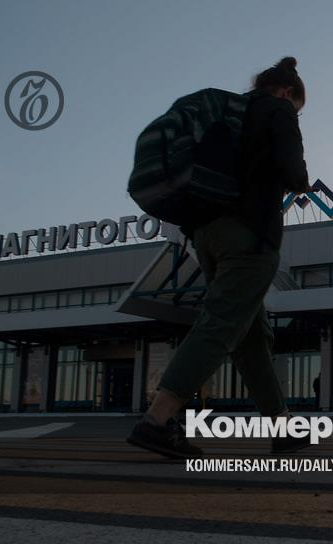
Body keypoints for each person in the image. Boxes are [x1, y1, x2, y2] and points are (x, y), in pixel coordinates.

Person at [127, 57, 312, 459]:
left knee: (249, 335)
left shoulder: (227, 111)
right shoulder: (276, 109)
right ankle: (157, 420)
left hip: (207, 235)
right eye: (297, 108)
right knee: (221, 324)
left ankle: (283, 427)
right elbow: (294, 174)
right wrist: (300, 175)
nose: (295, 114)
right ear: (286, 92)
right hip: (249, 235)